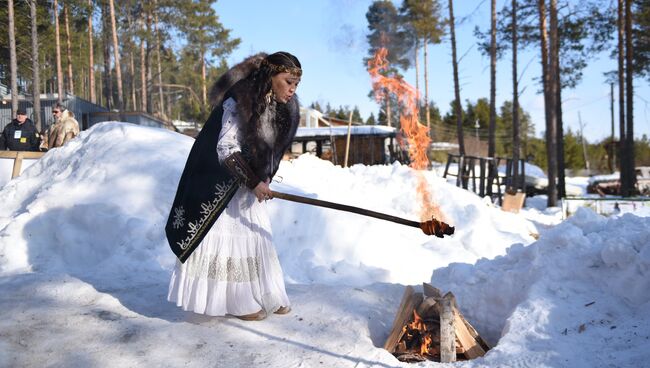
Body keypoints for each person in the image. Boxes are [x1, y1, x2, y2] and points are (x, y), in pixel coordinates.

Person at [166, 52, 302, 321]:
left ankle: (267, 292)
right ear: (270, 77)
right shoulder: (240, 101)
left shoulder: (279, 107)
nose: (292, 90)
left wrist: (265, 179)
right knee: (232, 235)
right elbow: (226, 148)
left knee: (257, 235)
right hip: (220, 182)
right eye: (288, 82)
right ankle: (235, 301)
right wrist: (252, 182)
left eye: (296, 84)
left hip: (247, 184)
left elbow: (271, 152)